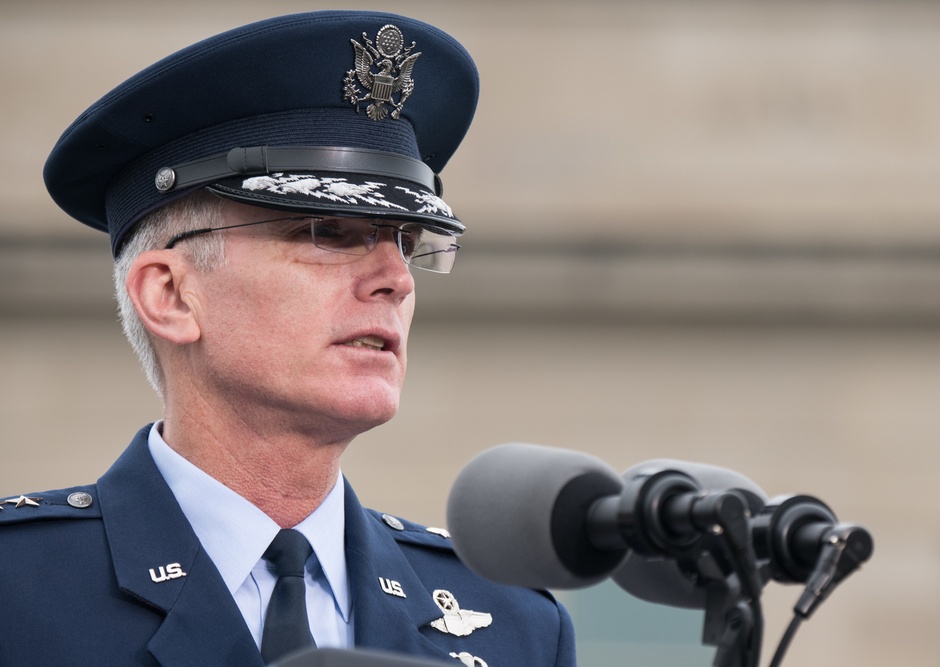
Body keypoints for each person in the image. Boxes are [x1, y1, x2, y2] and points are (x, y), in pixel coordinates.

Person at [0, 11, 575, 667]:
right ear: (169, 294)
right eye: (328, 233)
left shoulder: (517, 625)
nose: (396, 279)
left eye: (407, 244)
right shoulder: (17, 589)